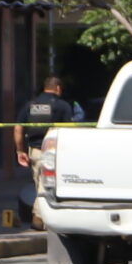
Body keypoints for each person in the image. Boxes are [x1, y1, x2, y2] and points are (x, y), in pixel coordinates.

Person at [11, 76, 81, 220]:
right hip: (54, 152)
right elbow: (69, 130)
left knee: (39, 183)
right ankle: (38, 216)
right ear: (58, 88)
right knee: (46, 186)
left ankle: (41, 217)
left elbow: (18, 128)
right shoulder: (63, 106)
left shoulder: (30, 105)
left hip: (34, 151)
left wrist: (19, 151)